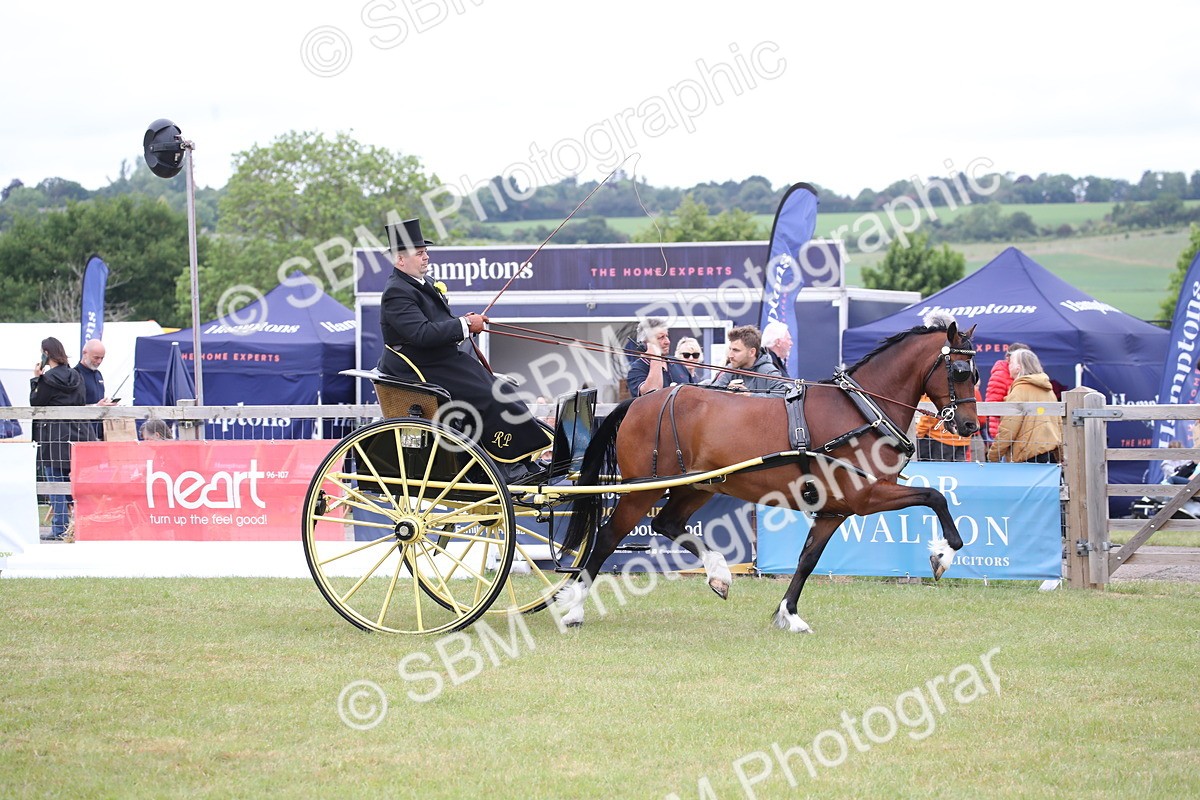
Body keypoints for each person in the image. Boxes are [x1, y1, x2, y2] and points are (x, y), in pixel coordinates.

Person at [376, 218, 552, 484]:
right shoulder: (396, 293)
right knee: (489, 397)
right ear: (400, 260)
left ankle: (520, 459)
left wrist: (464, 323)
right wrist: (465, 325)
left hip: (441, 360)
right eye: (420, 253)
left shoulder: (421, 284)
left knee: (502, 390)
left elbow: (435, 325)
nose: (426, 257)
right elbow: (421, 334)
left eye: (426, 252)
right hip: (421, 368)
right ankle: (503, 468)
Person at [30, 336, 97, 540]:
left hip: (54, 437)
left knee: (55, 485)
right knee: (80, 485)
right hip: (78, 436)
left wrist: (36, 378)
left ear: (46, 353)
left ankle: (60, 529)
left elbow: (35, 401)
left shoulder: (47, 380)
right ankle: (85, 526)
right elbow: (82, 400)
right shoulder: (77, 377)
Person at [987, 348, 1063, 464]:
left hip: (1027, 454)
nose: (1008, 366)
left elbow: (1009, 428)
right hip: (1049, 451)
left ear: (1019, 367)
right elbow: (1058, 424)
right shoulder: (1048, 390)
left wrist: (993, 455)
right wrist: (1060, 454)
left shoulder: (1020, 390)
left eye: (1011, 363)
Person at [707, 325, 789, 396]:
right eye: (730, 349)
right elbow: (711, 394)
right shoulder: (731, 369)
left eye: (736, 350)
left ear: (752, 352)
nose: (730, 355)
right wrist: (726, 392)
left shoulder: (768, 371)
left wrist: (749, 395)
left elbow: (785, 394)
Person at [624, 318, 694, 397]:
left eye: (667, 336)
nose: (667, 341)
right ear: (645, 343)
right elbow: (652, 393)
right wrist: (656, 358)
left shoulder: (677, 363)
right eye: (661, 337)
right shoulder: (636, 369)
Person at [984, 342, 1029, 440]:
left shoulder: (1023, 374)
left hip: (1021, 430)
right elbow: (992, 404)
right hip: (1004, 430)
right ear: (1009, 358)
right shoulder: (1000, 375)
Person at [75, 338, 116, 439]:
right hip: (82, 433)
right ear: (84, 353)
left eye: (102, 358)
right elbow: (72, 405)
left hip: (99, 432)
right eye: (96, 358)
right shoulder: (74, 375)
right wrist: (96, 406)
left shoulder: (98, 375)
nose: (99, 361)